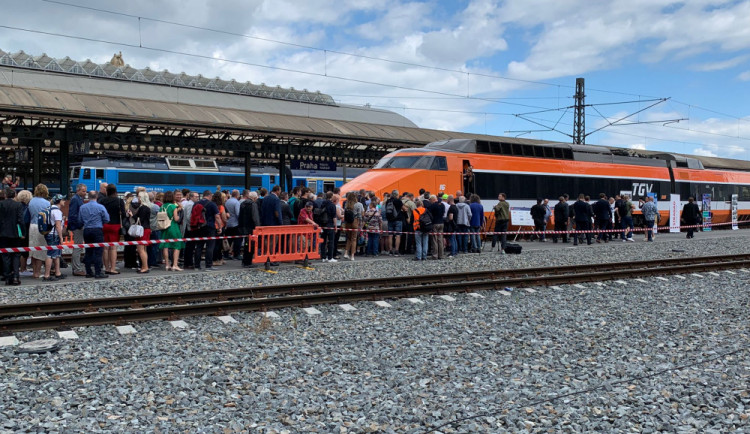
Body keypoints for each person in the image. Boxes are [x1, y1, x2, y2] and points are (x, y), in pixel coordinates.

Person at [78, 190, 109, 278]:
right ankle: (98, 272)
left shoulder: (82, 207)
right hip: (97, 230)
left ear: (88, 196)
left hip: (87, 230)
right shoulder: (101, 207)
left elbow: (80, 220)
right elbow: (106, 218)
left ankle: (88, 272)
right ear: (97, 197)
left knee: (88, 251)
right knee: (98, 252)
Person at [99, 184, 126, 274]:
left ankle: (106, 268)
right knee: (113, 247)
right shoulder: (119, 201)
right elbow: (123, 214)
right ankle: (113, 268)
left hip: (105, 225)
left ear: (107, 191)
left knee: (105, 248)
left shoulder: (102, 200)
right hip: (115, 225)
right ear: (115, 191)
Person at [0, 188, 25, 285]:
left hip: (2, 234)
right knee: (16, 255)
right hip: (15, 233)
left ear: (5, 195)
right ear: (14, 195)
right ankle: (15, 276)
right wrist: (23, 233)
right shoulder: (18, 205)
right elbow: (21, 220)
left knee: (5, 256)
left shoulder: (1, 204)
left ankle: (7, 277)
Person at [27, 184, 51, 279]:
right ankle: (38, 272)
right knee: (41, 250)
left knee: (33, 249)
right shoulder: (47, 203)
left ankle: (34, 271)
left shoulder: (31, 201)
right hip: (41, 227)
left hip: (32, 226)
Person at [193, 191, 221, 271]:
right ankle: (208, 265)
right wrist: (219, 227)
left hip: (199, 227)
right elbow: (217, 216)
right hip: (209, 227)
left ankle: (197, 265)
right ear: (209, 196)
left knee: (199, 246)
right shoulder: (212, 204)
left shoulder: (196, 203)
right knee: (210, 246)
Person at [159, 190, 185, 271]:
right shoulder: (173, 206)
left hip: (164, 228)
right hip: (173, 227)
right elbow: (176, 219)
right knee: (177, 245)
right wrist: (178, 211)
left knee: (165, 246)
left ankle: (167, 265)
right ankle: (175, 265)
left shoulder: (162, 206)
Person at [42, 194, 66, 281]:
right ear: (59, 201)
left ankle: (57, 272)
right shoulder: (57, 212)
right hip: (54, 235)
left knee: (56, 254)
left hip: (49, 233)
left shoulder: (49, 209)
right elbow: (58, 226)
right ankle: (47, 275)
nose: (64, 201)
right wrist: (61, 237)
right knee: (51, 254)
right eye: (63, 200)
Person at [128, 191, 152, 273]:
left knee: (140, 249)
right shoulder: (148, 207)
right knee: (144, 249)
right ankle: (145, 266)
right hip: (147, 229)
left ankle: (145, 267)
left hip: (142, 230)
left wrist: (131, 215)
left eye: (139, 197)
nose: (138, 198)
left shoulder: (142, 208)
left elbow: (139, 219)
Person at [67, 183, 87, 276]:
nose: (85, 193)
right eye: (83, 191)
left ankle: (76, 267)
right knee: (78, 247)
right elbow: (73, 215)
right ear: (78, 190)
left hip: (77, 226)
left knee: (78, 247)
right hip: (78, 227)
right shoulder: (76, 200)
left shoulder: (78, 199)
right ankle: (77, 268)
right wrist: (79, 225)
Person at [15, 190, 32, 276]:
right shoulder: (26, 207)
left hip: (16, 230)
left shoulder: (17, 206)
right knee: (24, 250)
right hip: (24, 229)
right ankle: (23, 268)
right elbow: (25, 220)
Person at [343, 192, 364, 261]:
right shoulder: (359, 204)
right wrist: (361, 224)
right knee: (354, 239)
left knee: (349, 238)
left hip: (348, 223)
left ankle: (346, 253)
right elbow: (360, 215)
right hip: (355, 222)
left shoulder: (347, 204)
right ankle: (352, 255)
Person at [384, 190, 404, 256]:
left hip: (390, 220)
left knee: (390, 235)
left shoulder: (388, 201)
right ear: (397, 195)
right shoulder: (398, 201)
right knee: (398, 235)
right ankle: (396, 250)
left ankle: (390, 250)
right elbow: (404, 209)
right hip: (398, 219)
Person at [224, 189, 242, 260]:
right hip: (235, 223)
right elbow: (238, 213)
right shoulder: (236, 202)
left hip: (228, 223)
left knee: (228, 240)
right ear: (237, 195)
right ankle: (236, 254)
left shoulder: (227, 201)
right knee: (237, 240)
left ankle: (226, 254)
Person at [428, 195, 445, 260]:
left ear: (433, 200)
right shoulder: (442, 205)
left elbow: (430, 214)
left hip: (435, 223)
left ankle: (435, 255)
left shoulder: (432, 206)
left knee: (434, 240)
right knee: (440, 239)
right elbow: (443, 213)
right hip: (441, 223)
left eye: (430, 200)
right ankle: (441, 255)